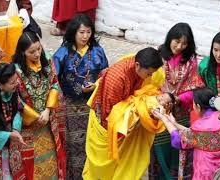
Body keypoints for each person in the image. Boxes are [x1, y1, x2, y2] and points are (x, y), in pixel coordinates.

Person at [83, 47, 164, 179]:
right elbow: (109, 115)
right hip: (107, 124)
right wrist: (133, 120)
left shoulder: (138, 68)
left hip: (123, 119)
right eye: (148, 74)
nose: (149, 77)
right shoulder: (117, 79)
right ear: (137, 65)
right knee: (103, 167)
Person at [52, 13, 108, 179]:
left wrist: (97, 85)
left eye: (88, 32)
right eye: (81, 32)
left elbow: (105, 74)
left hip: (92, 105)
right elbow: (53, 79)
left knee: (92, 143)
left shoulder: (98, 51)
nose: (85, 36)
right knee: (73, 143)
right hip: (71, 106)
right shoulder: (62, 53)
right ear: (73, 33)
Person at [148, 22, 205, 180]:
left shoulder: (191, 61)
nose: (180, 46)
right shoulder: (158, 54)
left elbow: (195, 89)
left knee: (178, 148)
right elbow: (149, 81)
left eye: (184, 43)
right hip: (159, 110)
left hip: (180, 114)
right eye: (177, 41)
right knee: (159, 149)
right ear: (170, 38)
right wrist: (161, 98)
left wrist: (175, 98)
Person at [12, 31, 66, 179]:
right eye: (32, 52)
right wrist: (35, 115)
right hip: (28, 125)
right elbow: (15, 98)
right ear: (22, 52)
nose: (37, 54)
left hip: (47, 122)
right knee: (31, 166)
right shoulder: (16, 71)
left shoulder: (47, 61)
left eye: (38, 49)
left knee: (52, 161)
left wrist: (48, 110)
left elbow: (54, 83)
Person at [152, 87, 220, 180]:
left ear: (198, 107)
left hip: (208, 174)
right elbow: (196, 137)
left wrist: (164, 119)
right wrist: (175, 124)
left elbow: (179, 141)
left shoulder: (200, 126)